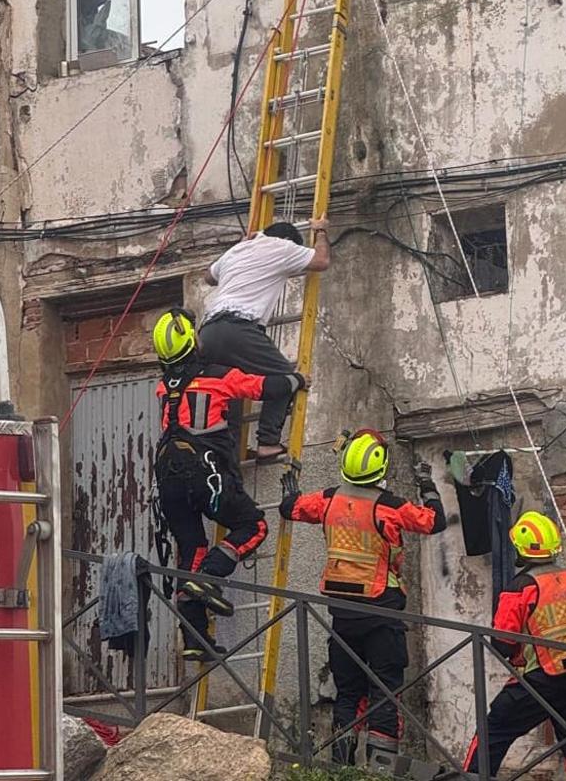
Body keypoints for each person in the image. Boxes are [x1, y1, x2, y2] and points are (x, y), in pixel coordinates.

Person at [279, 429, 445, 766]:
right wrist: (428, 486)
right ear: (380, 469)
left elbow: (290, 508)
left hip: (343, 616)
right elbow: (434, 522)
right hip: (382, 613)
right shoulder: (391, 507)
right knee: (384, 692)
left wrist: (292, 491)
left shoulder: (328, 499)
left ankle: (341, 767)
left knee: (348, 694)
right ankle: (380, 771)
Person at [151, 309, 306, 661]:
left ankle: (193, 639)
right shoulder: (220, 377)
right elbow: (268, 386)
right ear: (192, 341)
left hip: (167, 477)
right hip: (205, 473)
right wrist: (297, 380)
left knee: (190, 549)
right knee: (253, 524)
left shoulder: (163, 387)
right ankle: (209, 577)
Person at [463, 511, 566, 781]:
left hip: (544, 677)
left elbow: (503, 641)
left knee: (493, 731)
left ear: (520, 549)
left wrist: (519, 656)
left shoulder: (521, 586)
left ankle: (471, 778)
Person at [198, 215, 331, 461]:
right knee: (287, 379)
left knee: (229, 394)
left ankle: (231, 458)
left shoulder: (239, 248)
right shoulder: (282, 246)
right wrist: (320, 231)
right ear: (288, 240)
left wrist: (238, 253)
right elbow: (321, 260)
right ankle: (268, 443)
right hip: (238, 329)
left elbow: (208, 277)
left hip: (207, 333)